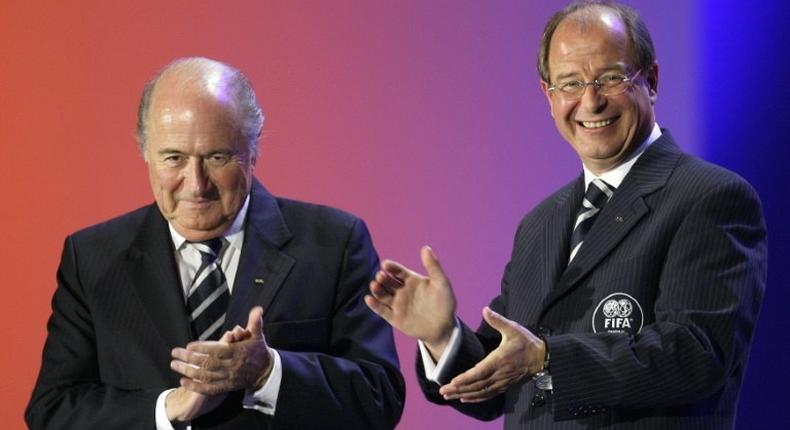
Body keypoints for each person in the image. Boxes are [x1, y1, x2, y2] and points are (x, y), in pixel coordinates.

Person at [365, 1, 766, 428]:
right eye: (570, 83)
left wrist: (545, 361)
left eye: (610, 78)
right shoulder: (540, 224)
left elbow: (697, 353)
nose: (590, 102)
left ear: (650, 80)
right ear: (548, 96)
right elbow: (500, 383)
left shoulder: (710, 197)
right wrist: (443, 336)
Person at [26, 57, 404, 429]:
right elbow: (53, 410)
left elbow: (378, 398)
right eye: (173, 158)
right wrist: (168, 408)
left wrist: (268, 372)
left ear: (252, 153)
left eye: (216, 157)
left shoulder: (333, 244)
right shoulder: (92, 257)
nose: (196, 184)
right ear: (145, 153)